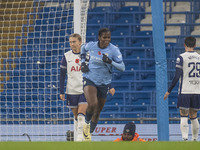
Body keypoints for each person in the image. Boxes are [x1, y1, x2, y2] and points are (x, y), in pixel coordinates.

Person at [80, 27, 125, 141]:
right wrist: (83, 62)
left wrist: (110, 61)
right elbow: (82, 49)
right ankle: (86, 124)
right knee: (93, 103)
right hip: (90, 78)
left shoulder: (114, 50)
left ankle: (88, 134)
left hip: (104, 82)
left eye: (109, 37)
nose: (107, 40)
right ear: (99, 37)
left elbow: (122, 68)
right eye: (104, 37)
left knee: (98, 111)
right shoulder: (91, 45)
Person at [164, 36, 200, 141]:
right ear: (195, 45)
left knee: (183, 115)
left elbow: (177, 75)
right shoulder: (199, 57)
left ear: (184, 45)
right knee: (194, 115)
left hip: (185, 90)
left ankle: (184, 139)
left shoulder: (181, 57)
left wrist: (169, 90)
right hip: (197, 90)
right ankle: (195, 139)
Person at [60, 33, 88, 141]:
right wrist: (61, 91)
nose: (72, 44)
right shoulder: (67, 56)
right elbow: (62, 75)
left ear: (80, 42)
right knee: (77, 117)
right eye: (70, 42)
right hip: (71, 90)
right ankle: (84, 137)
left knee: (81, 115)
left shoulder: (88, 55)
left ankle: (80, 138)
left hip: (84, 90)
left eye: (74, 42)